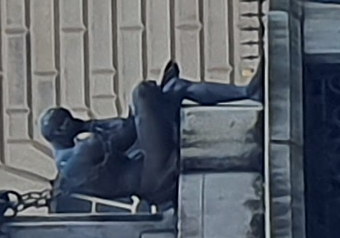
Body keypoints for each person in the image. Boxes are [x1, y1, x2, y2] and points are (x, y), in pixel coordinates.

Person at [38, 60, 260, 211]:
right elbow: (121, 134)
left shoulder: (78, 146)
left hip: (147, 163)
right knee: (142, 93)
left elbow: (127, 131)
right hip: (151, 177)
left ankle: (246, 93)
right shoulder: (69, 163)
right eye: (68, 120)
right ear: (59, 131)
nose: (74, 120)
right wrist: (89, 125)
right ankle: (162, 95)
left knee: (175, 88)